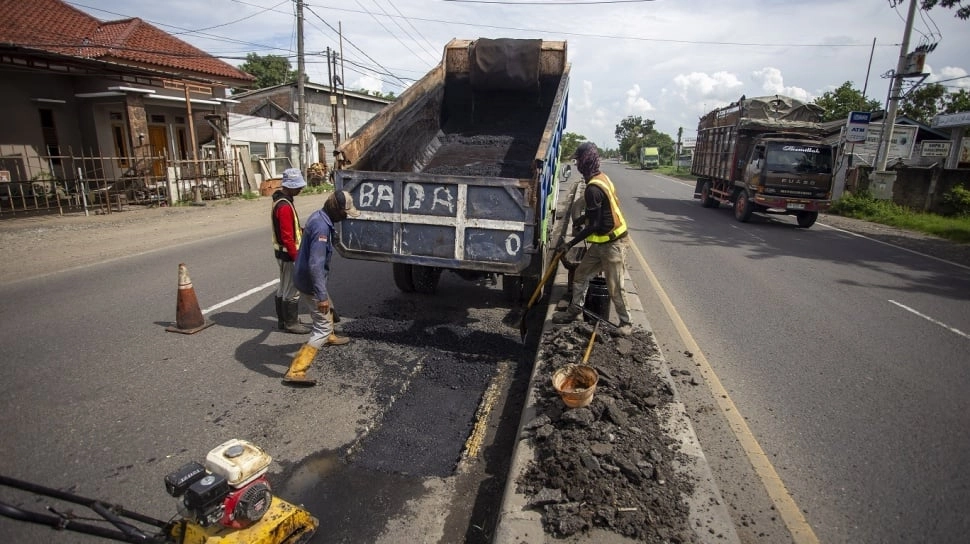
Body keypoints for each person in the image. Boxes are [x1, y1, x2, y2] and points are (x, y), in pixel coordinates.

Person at [552, 142, 633, 336]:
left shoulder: (593, 189)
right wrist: (580, 218)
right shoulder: (601, 178)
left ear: (584, 162)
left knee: (615, 286)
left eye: (578, 159)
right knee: (581, 274)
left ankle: (626, 324)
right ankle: (574, 311)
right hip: (602, 243)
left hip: (614, 244)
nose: (577, 163)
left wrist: (570, 243)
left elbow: (594, 225)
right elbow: (596, 214)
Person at [282, 190, 361, 386]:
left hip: (305, 276)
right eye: (344, 213)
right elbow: (315, 265)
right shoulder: (321, 228)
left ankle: (330, 336)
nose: (345, 217)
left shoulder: (320, 216)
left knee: (329, 307)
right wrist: (321, 295)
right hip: (309, 281)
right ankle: (296, 369)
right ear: (336, 210)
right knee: (323, 323)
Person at [271, 168, 311, 334]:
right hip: (288, 253)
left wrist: (301, 230)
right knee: (291, 290)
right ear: (289, 186)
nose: (300, 189)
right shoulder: (285, 206)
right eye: (298, 186)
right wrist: (297, 258)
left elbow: (290, 230)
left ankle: (283, 320)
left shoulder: (280, 201)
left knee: (283, 287)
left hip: (280, 252)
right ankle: (291, 323)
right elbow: (288, 237)